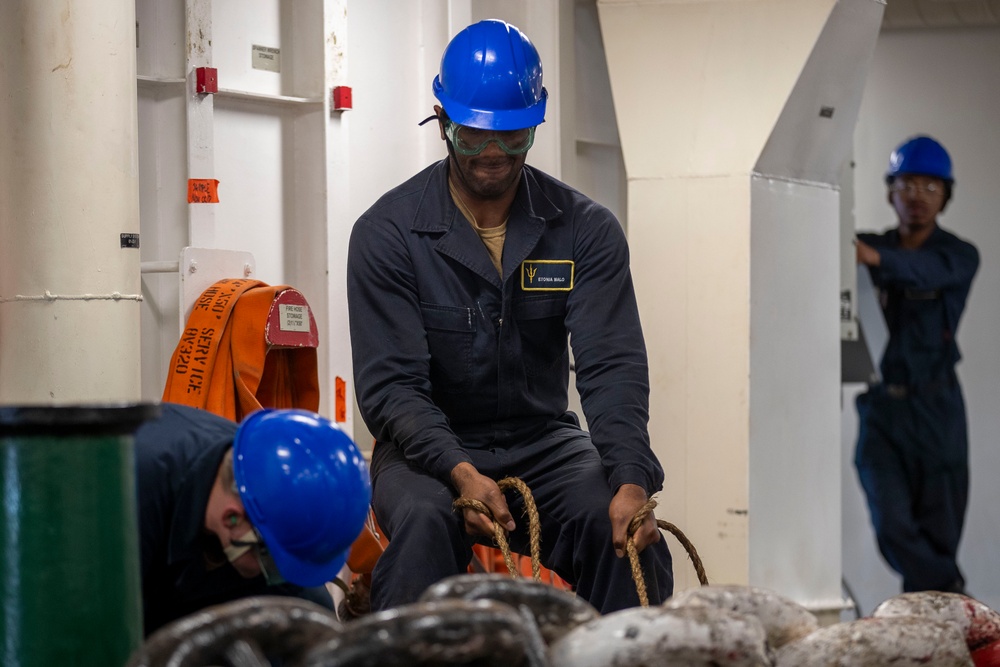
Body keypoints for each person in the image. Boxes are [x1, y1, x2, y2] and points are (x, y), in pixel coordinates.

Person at [347, 19, 673, 614]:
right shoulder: (387, 234)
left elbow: (612, 362)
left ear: (535, 124)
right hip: (427, 452)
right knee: (423, 525)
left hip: (542, 442)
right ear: (443, 121)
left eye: (512, 137)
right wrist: (459, 471)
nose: (493, 154)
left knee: (627, 538)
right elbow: (392, 388)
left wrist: (632, 476)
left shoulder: (584, 229)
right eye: (474, 137)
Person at [854, 135, 979, 594]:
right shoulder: (865, 245)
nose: (918, 197)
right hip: (883, 409)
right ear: (891, 192)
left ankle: (931, 634)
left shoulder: (959, 256)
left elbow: (925, 271)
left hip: (937, 408)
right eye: (908, 185)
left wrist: (874, 259)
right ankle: (953, 597)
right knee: (891, 523)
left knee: (939, 531)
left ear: (946, 196)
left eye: (930, 187)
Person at [134, 403, 371, 635]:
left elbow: (300, 599)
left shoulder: (262, 470)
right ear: (232, 519)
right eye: (276, 568)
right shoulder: (129, 493)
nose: (284, 578)